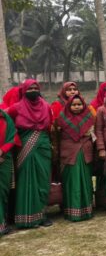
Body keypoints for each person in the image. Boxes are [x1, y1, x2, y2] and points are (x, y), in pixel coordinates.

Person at [7, 80, 53, 228]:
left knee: (43, 180)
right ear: (24, 90)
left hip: (44, 146)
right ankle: (27, 217)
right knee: (27, 180)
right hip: (25, 146)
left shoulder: (46, 106)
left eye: (35, 87)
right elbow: (6, 122)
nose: (33, 90)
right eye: (30, 88)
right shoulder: (16, 108)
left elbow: (51, 126)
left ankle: (42, 215)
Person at [54, 94, 95, 221]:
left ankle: (86, 211)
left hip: (84, 152)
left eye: (79, 104)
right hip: (68, 152)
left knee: (85, 181)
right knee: (71, 181)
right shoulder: (61, 118)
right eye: (73, 104)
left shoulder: (89, 117)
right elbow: (55, 136)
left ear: (83, 105)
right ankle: (73, 211)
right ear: (68, 105)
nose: (77, 107)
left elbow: (93, 134)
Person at [0, 109, 17, 235]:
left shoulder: (5, 117)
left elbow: (12, 137)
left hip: (4, 159)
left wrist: (2, 152)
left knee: (3, 191)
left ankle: (2, 223)